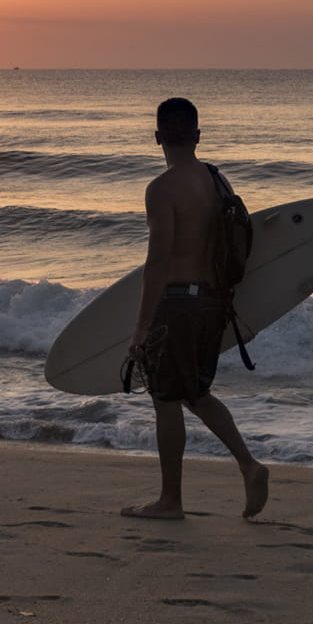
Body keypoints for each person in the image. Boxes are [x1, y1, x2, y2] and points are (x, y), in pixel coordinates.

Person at [121, 97, 270, 521]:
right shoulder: (215, 180)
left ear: (157, 138)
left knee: (166, 399)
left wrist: (141, 327)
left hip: (178, 305)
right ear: (198, 136)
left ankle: (171, 501)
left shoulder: (163, 189)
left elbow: (159, 262)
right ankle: (249, 464)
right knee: (194, 393)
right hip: (212, 303)